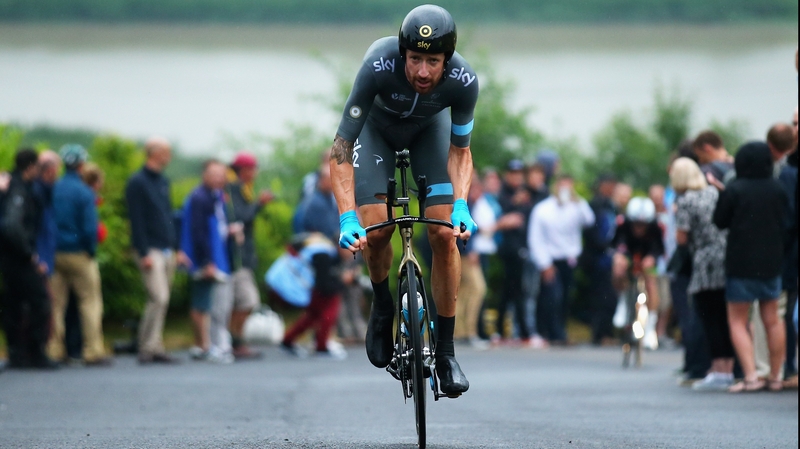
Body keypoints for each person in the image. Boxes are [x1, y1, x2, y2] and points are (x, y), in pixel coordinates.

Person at [329, 5, 478, 395]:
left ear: (447, 58)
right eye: (415, 59)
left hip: (430, 132)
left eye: (433, 61)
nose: (423, 72)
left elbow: (461, 152)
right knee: (376, 231)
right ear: (402, 53)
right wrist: (347, 217)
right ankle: (382, 306)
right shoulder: (377, 65)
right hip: (376, 133)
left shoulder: (464, 81)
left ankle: (445, 353)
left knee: (445, 235)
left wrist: (461, 203)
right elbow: (342, 147)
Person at [713, 142, 788, 393]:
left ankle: (751, 376)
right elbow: (787, 223)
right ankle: (776, 376)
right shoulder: (778, 189)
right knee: (773, 320)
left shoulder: (734, 189)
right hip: (772, 261)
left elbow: (719, 221)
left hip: (740, 261)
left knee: (737, 321)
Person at [670, 158, 735, 391]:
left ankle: (718, 370)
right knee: (725, 316)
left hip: (705, 262)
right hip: (727, 258)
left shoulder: (686, 200)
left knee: (709, 317)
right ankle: (729, 369)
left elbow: (681, 238)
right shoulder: (714, 193)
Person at [48, 144, 112, 366]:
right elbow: (88, 228)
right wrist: (91, 251)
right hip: (79, 253)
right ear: (82, 164)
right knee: (89, 302)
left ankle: (55, 349)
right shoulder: (84, 192)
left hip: (55, 253)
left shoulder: (53, 188)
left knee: (56, 304)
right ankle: (92, 350)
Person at [125, 137, 182, 364]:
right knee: (158, 297)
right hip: (150, 249)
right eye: (166, 152)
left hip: (167, 247)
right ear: (154, 153)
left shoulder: (163, 181)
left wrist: (176, 246)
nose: (169, 156)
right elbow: (136, 218)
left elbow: (168, 215)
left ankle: (155, 345)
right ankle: (147, 346)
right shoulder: (137, 182)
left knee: (162, 300)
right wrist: (143, 250)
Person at [282, 163, 348, 359]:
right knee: (330, 299)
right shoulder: (315, 203)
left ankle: (291, 339)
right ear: (321, 180)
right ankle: (321, 343)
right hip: (319, 257)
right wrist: (338, 245)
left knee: (316, 307)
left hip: (326, 255)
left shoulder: (328, 199)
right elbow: (316, 233)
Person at [0, 149, 58, 369]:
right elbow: (12, 225)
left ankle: (17, 353)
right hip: (20, 257)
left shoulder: (10, 185)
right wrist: (29, 252)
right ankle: (36, 352)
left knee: (13, 304)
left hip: (8, 256)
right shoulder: (20, 189)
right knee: (40, 302)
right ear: (31, 166)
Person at [181, 160, 236, 364]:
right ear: (204, 175)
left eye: (222, 174)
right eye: (214, 174)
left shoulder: (215, 196)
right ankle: (207, 345)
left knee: (206, 302)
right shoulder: (200, 197)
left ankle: (205, 345)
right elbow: (198, 231)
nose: (219, 178)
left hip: (215, 257)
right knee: (205, 303)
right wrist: (206, 262)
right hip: (205, 260)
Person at [528, 174, 595, 344]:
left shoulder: (577, 206)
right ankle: (551, 332)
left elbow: (589, 221)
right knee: (552, 296)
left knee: (565, 297)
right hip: (550, 260)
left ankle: (559, 331)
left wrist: (578, 201)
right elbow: (535, 239)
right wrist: (544, 264)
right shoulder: (542, 209)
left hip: (569, 260)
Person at [226, 151, 274, 360]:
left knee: (240, 301)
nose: (255, 172)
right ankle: (234, 340)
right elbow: (240, 217)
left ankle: (234, 339)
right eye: (253, 168)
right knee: (248, 301)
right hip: (237, 256)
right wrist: (259, 204)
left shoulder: (243, 188)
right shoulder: (233, 188)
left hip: (244, 254)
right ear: (243, 170)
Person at [611, 197, 664, 350]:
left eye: (643, 225)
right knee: (618, 265)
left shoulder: (656, 227)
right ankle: (622, 302)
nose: (639, 228)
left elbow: (659, 249)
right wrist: (621, 258)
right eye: (636, 224)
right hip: (629, 253)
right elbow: (616, 245)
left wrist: (651, 259)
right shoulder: (622, 224)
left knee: (651, 282)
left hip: (647, 255)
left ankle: (650, 327)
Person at [494, 159, 534, 345]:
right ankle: (523, 332)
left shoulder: (525, 194)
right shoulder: (503, 194)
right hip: (508, 249)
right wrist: (512, 205)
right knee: (515, 291)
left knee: (512, 291)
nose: (516, 177)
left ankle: (504, 330)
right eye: (513, 173)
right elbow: (503, 217)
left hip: (521, 248)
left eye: (519, 173)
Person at [454, 171, 488, 349]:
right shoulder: (466, 202)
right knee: (477, 288)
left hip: (463, 251)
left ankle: (460, 332)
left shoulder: (469, 201)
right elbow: (463, 226)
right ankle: (470, 332)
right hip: (466, 252)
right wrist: (471, 249)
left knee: (464, 292)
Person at [583, 173, 618, 345]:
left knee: (608, 298)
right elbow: (592, 234)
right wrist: (607, 247)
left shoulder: (611, 205)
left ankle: (605, 332)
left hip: (608, 259)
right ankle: (599, 334)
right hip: (598, 259)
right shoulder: (595, 205)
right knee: (602, 298)